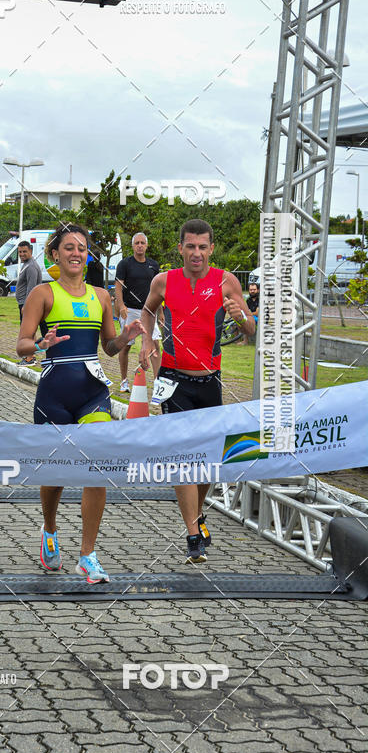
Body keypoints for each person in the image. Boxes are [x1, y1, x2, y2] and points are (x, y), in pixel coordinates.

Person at [17, 222, 145, 584]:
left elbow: (108, 347)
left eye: (82, 248)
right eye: (69, 247)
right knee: (55, 473)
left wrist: (126, 337)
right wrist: (41, 345)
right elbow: (21, 344)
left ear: (88, 255)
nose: (76, 253)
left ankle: (88, 555)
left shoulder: (101, 296)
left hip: (92, 392)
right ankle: (50, 530)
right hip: (53, 393)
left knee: (98, 465)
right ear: (55, 254)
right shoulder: (42, 294)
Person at [139, 219, 255, 564]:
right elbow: (147, 311)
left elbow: (249, 326)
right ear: (180, 248)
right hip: (174, 380)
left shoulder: (225, 281)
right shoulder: (164, 280)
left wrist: (239, 316)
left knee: (208, 462)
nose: (197, 253)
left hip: (210, 381)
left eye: (203, 247)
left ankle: (198, 515)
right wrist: (147, 338)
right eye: (190, 246)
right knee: (182, 459)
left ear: (211, 249)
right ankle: (193, 534)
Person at [115, 232, 161, 391]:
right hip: (131, 311)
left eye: (142, 243)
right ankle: (123, 381)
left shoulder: (153, 266)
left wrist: (160, 313)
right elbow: (118, 287)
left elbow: (158, 291)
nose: (140, 245)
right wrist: (121, 306)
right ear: (133, 246)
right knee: (125, 346)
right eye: (137, 243)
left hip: (149, 312)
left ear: (146, 245)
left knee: (155, 344)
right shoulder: (125, 264)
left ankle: (157, 382)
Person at [15, 240, 42, 365]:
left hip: (28, 304)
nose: (22, 254)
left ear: (30, 251)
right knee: (30, 330)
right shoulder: (26, 264)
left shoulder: (31, 266)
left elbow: (31, 289)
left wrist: (26, 306)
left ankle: (29, 358)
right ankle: (31, 355)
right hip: (23, 303)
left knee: (27, 332)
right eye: (20, 252)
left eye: (24, 251)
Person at [240, 281, 260, 346]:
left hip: (260, 318)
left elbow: (257, 313)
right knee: (236, 321)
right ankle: (236, 340)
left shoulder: (260, 299)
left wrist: (248, 313)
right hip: (251, 317)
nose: (252, 291)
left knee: (246, 321)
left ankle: (245, 341)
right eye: (251, 290)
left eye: (254, 290)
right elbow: (245, 310)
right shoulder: (249, 300)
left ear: (258, 290)